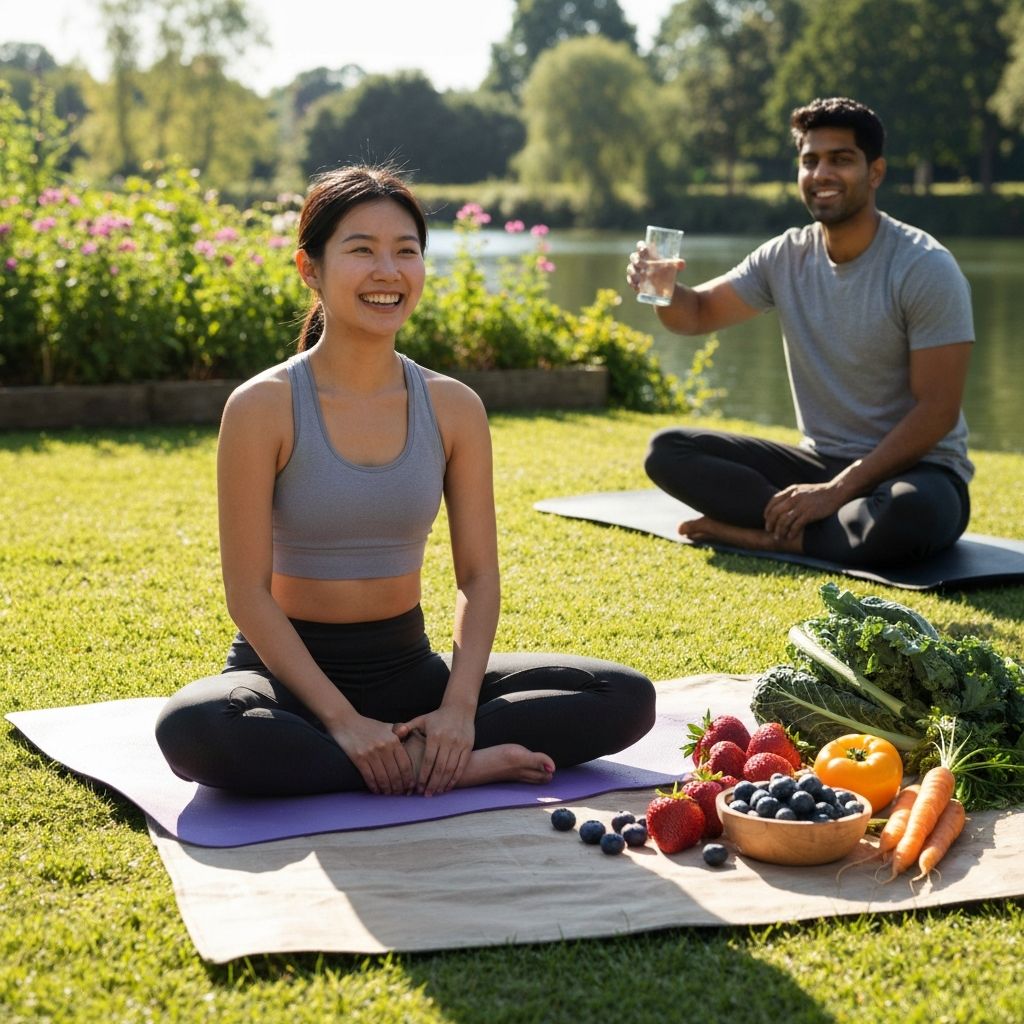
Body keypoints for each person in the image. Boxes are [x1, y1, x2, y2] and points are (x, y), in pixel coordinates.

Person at [156, 164, 655, 798]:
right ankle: (429, 765)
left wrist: (458, 711)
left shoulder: (454, 407)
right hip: (287, 681)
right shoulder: (262, 406)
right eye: (362, 250)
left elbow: (478, 577)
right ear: (310, 269)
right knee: (196, 728)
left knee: (624, 696)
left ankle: (403, 753)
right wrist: (342, 720)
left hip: (409, 673)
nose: (388, 272)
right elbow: (247, 594)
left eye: (406, 251)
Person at [626, 97, 974, 569]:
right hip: (819, 461)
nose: (821, 173)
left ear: (875, 172)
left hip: (916, 469)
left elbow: (937, 412)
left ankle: (770, 538)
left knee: (908, 514)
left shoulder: (924, 267)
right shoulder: (784, 256)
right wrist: (663, 289)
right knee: (668, 451)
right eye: (810, 161)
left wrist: (835, 491)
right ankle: (826, 531)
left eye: (841, 159)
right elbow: (697, 314)